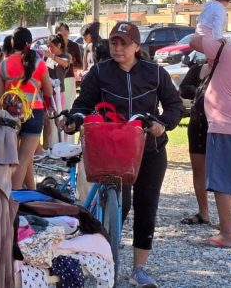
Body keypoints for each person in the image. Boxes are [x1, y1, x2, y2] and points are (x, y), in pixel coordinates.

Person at [60, 21, 182, 288]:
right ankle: (105, 256)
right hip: (112, 150)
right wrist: (74, 119)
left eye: (124, 44)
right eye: (114, 42)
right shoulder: (99, 72)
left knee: (146, 207)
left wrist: (162, 124)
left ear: (137, 46)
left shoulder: (155, 72)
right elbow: (83, 104)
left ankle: (139, 269)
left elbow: (175, 106)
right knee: (121, 205)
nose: (117, 48)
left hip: (150, 150)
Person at [190, 20, 231, 248]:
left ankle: (227, 233)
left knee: (223, 180)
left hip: (226, 124)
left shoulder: (226, 49)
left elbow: (194, 41)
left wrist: (216, 36)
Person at [0, 27, 54, 190]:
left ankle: (31, 192)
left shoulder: (2, 66)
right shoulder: (38, 63)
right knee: (24, 158)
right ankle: (15, 195)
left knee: (25, 159)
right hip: (34, 112)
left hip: (11, 115)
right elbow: (48, 92)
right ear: (29, 43)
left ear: (12, 43)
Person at [179, 60, 212, 226]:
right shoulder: (196, 69)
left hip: (221, 126)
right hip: (197, 123)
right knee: (199, 170)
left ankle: (229, 219)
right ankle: (203, 212)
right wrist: (198, 91)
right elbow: (183, 90)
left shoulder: (229, 68)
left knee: (226, 172)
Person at [55, 22, 82, 109]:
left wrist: (71, 62)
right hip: (55, 80)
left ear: (69, 32)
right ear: (56, 32)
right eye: (60, 30)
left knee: (68, 107)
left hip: (69, 79)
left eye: (66, 30)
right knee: (57, 108)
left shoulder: (74, 46)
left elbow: (80, 65)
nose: (64, 32)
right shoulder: (53, 46)